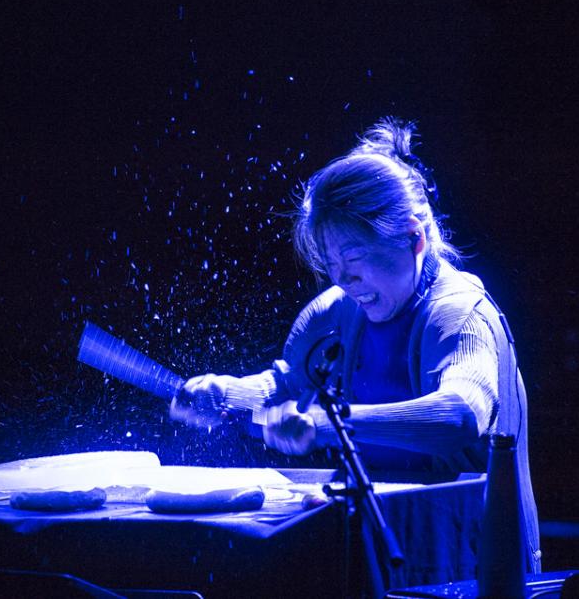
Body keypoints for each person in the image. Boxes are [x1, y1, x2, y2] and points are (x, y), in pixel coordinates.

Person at [169, 118, 541, 573]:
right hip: (380, 553)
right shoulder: (336, 313)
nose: (342, 280)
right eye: (330, 264)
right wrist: (225, 395)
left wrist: (328, 424)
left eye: (354, 260)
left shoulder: (460, 313)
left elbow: (460, 415)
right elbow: (288, 386)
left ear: (413, 237)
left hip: (469, 564)